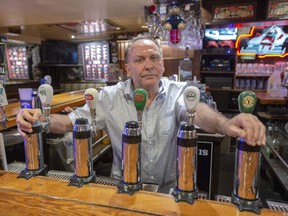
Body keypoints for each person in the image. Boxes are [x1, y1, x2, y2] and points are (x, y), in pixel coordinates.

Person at [16, 35, 266, 193]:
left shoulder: (179, 92)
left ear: (162, 65)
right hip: (121, 189)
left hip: (169, 193)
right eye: (139, 59)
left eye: (154, 58)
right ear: (127, 68)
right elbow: (70, 123)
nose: (148, 64)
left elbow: (198, 113)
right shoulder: (109, 97)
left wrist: (226, 124)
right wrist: (40, 118)